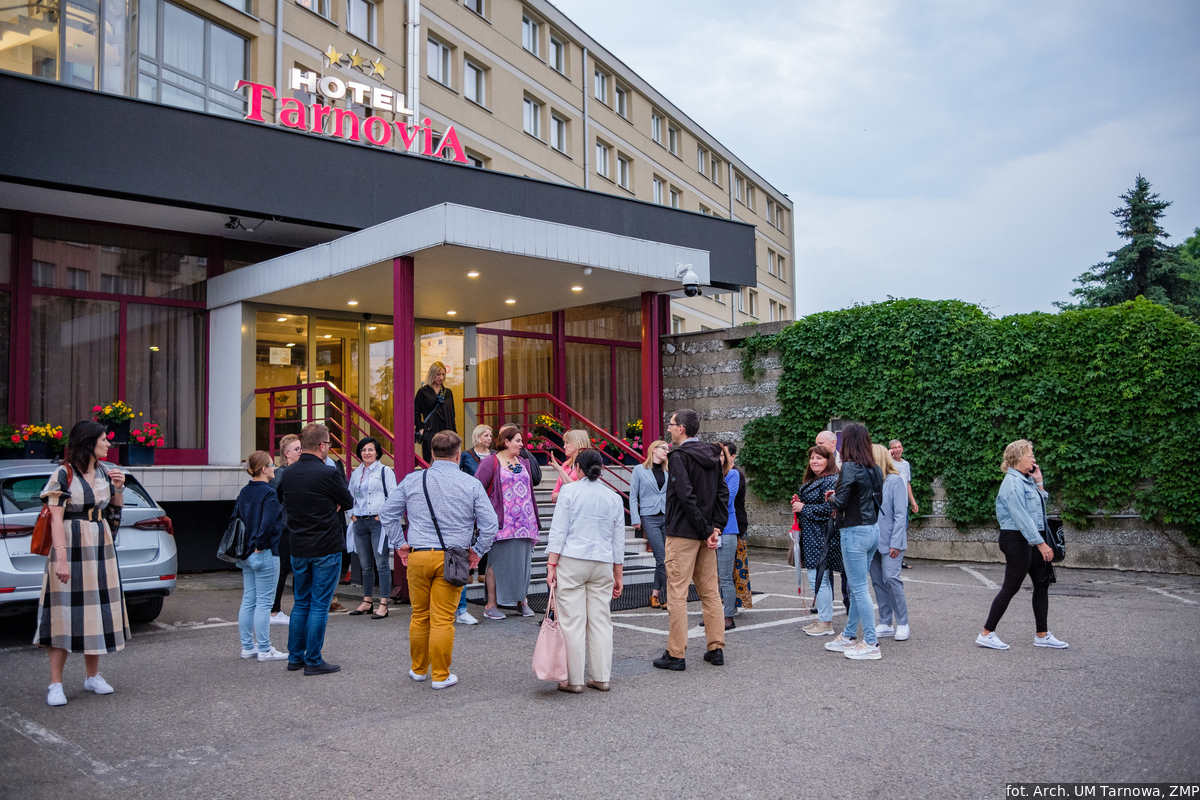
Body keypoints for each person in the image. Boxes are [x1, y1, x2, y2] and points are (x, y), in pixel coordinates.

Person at [382, 431, 498, 690]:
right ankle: (440, 675)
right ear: (458, 455)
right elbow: (490, 524)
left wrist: (400, 544)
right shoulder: (470, 484)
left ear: (431, 454)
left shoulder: (413, 480)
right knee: (443, 619)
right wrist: (477, 550)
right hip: (453, 557)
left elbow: (388, 513)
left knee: (420, 615)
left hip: (419, 554)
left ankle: (418, 669)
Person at [35, 421, 129, 707]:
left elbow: (114, 514)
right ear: (89, 442)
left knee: (96, 610)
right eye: (104, 439)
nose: (108, 444)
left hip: (100, 546)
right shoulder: (63, 474)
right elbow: (56, 519)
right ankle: (55, 684)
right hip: (71, 546)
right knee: (62, 611)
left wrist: (118, 488)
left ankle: (92, 676)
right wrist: (61, 559)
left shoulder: (104, 471)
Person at [275, 423, 355, 676]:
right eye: (329, 444)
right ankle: (313, 660)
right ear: (322, 446)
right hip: (325, 545)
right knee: (320, 604)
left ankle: (295, 657)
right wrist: (332, 504)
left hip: (298, 545)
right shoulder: (328, 473)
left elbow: (281, 499)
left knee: (301, 603)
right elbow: (348, 501)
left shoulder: (287, 473)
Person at [652, 408, 729, 672]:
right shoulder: (713, 454)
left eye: (671, 424)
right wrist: (715, 528)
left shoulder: (679, 456)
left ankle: (676, 654)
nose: (669, 428)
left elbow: (684, 496)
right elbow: (722, 492)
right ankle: (716, 648)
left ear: (681, 428)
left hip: (683, 533)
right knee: (710, 593)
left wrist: (706, 528)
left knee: (677, 593)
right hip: (706, 534)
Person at [545, 449, 625, 693]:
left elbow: (559, 531)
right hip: (603, 562)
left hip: (572, 560)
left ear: (577, 468)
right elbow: (618, 539)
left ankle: (574, 680)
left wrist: (551, 564)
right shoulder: (614, 497)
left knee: (572, 621)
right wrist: (618, 574)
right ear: (601, 469)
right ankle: (601, 677)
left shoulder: (569, 492)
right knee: (601, 621)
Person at [976, 440, 1068, 651]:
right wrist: (1041, 544)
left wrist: (1039, 482)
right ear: (1018, 458)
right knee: (1011, 586)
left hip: (1030, 537)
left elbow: (1039, 509)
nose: (1034, 459)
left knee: (1042, 583)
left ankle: (1042, 635)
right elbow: (1022, 518)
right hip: (1016, 539)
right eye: (1030, 455)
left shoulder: (1026, 481)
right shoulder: (1012, 483)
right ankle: (986, 634)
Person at [823, 422, 884, 661]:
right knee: (859, 587)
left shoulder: (849, 466)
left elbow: (841, 502)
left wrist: (831, 498)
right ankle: (849, 635)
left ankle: (871, 642)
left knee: (858, 588)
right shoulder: (874, 468)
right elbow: (871, 498)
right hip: (872, 529)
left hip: (854, 531)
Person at [474, 424, 540, 619]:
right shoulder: (491, 461)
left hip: (525, 522)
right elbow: (477, 488)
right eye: (517, 441)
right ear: (506, 441)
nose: (521, 444)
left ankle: (522, 601)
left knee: (523, 562)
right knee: (496, 562)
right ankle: (491, 605)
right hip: (502, 522)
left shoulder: (523, 461)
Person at [234, 451, 287, 662]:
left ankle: (248, 646)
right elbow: (268, 524)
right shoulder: (269, 494)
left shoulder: (245, 492)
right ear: (264, 469)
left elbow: (236, 521)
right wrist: (260, 546)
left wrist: (250, 548)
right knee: (265, 602)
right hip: (264, 552)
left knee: (249, 600)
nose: (275, 467)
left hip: (246, 553)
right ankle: (265, 649)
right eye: (272, 464)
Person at [792, 445, 840, 636]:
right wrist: (799, 503)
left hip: (822, 536)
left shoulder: (831, 480)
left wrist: (803, 507)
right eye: (812, 458)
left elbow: (831, 509)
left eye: (819, 458)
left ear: (829, 460)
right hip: (813, 535)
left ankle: (826, 622)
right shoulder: (817, 479)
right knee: (820, 579)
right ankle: (823, 618)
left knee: (818, 579)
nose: (814, 461)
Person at [347, 437, 398, 619]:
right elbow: (349, 495)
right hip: (359, 522)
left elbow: (394, 496)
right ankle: (367, 601)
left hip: (377, 523)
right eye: (363, 450)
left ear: (377, 452)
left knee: (381, 563)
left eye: (370, 449)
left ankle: (383, 603)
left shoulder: (385, 471)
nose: (366, 453)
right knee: (365, 565)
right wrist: (352, 515)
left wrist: (381, 515)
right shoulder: (356, 473)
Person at [869, 444, 909, 642]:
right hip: (872, 540)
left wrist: (896, 542)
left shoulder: (895, 481)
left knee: (892, 579)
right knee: (877, 582)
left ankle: (903, 622)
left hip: (891, 540)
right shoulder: (870, 481)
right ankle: (885, 622)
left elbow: (901, 514)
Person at [455, 424, 493, 625]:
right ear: (478, 436)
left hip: (489, 501)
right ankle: (469, 573)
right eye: (486, 435)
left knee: (485, 534)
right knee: (468, 539)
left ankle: (481, 571)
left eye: (491, 435)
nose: (489, 438)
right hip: (468, 502)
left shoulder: (495, 456)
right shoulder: (466, 456)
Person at [629, 439, 669, 609]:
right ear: (653, 449)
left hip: (667, 516)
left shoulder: (669, 470)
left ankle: (654, 595)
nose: (666, 451)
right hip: (649, 517)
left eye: (668, 449)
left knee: (664, 559)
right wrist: (635, 518)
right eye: (663, 448)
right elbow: (633, 495)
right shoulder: (639, 470)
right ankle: (670, 597)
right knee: (662, 558)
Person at [269, 434, 302, 626]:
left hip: (297, 527)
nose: (300, 452)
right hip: (286, 528)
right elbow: (273, 501)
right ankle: (274, 610)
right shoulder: (280, 474)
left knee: (299, 569)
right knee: (283, 569)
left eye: (301, 448)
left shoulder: (298, 471)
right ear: (286, 453)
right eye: (296, 449)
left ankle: (299, 609)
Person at [715, 443, 743, 630]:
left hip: (727, 529)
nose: (717, 458)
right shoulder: (708, 475)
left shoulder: (732, 474)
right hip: (709, 530)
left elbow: (727, 499)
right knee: (711, 578)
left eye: (721, 455)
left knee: (725, 576)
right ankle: (714, 613)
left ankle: (728, 616)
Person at [414, 361, 456, 464]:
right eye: (438, 374)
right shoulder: (423, 392)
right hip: (430, 431)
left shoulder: (448, 393)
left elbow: (452, 414)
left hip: (446, 431)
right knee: (430, 460)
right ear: (432, 374)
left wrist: (454, 433)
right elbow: (415, 412)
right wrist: (420, 428)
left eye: (443, 374)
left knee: (446, 460)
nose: (441, 377)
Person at [549, 429, 592, 503]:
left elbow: (578, 491)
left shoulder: (588, 464)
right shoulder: (566, 465)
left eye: (567, 443)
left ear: (577, 442)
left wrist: (559, 470)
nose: (564, 447)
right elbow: (553, 497)